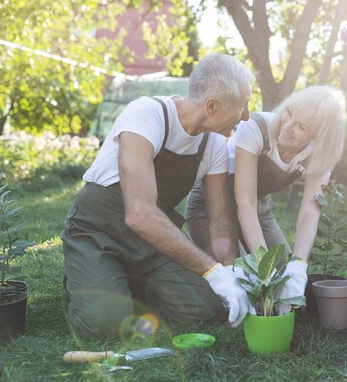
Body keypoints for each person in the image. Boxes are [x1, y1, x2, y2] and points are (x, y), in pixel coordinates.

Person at [61, 53, 256, 340]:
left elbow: (219, 221)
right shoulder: (146, 115)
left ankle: (124, 282)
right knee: (105, 324)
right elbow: (140, 213)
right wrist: (211, 271)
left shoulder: (214, 144)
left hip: (151, 242)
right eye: (242, 106)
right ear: (211, 106)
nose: (247, 115)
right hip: (98, 232)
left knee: (209, 307)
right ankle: (87, 274)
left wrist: (230, 269)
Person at [186, 85, 346, 314]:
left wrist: (298, 265)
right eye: (290, 113)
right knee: (241, 280)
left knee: (282, 275)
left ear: (320, 135)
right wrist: (263, 264)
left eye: (301, 126)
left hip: (257, 208)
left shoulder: (320, 153)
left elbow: (310, 212)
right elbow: (245, 202)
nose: (287, 126)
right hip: (212, 208)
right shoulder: (257, 127)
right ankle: (196, 253)